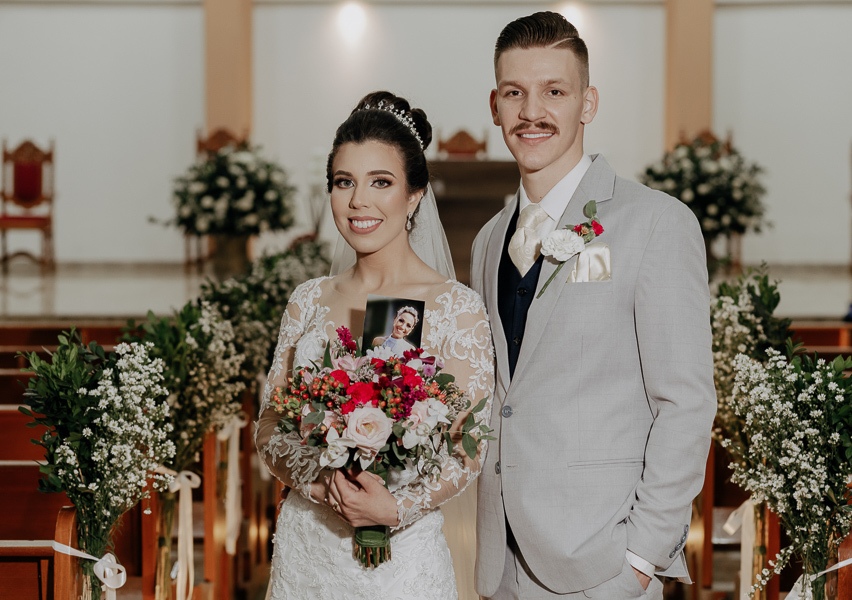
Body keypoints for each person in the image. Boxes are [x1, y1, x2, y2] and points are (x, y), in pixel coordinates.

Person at [470, 12, 716, 599]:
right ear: (495, 106)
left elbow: (685, 401)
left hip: (602, 564)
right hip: (500, 566)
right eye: (514, 93)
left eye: (554, 91)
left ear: (588, 103)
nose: (532, 111)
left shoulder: (656, 223)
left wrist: (640, 557)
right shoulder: (487, 240)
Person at [255, 91, 494, 600]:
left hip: (403, 562)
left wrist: (396, 508)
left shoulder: (457, 307)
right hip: (308, 548)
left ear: (414, 196)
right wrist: (320, 485)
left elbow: (469, 445)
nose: (358, 201)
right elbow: (270, 425)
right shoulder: (308, 300)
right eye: (344, 182)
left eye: (380, 182)